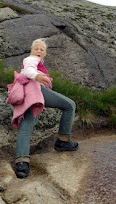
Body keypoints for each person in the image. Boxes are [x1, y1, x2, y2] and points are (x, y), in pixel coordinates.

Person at [8, 38, 78, 179]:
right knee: (69, 105)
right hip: (35, 90)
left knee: (26, 125)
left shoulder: (35, 61)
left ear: (45, 53)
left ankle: (22, 163)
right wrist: (37, 76)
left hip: (27, 94)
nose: (38, 51)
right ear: (31, 51)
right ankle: (63, 141)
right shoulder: (31, 59)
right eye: (36, 48)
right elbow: (28, 70)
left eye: (42, 49)